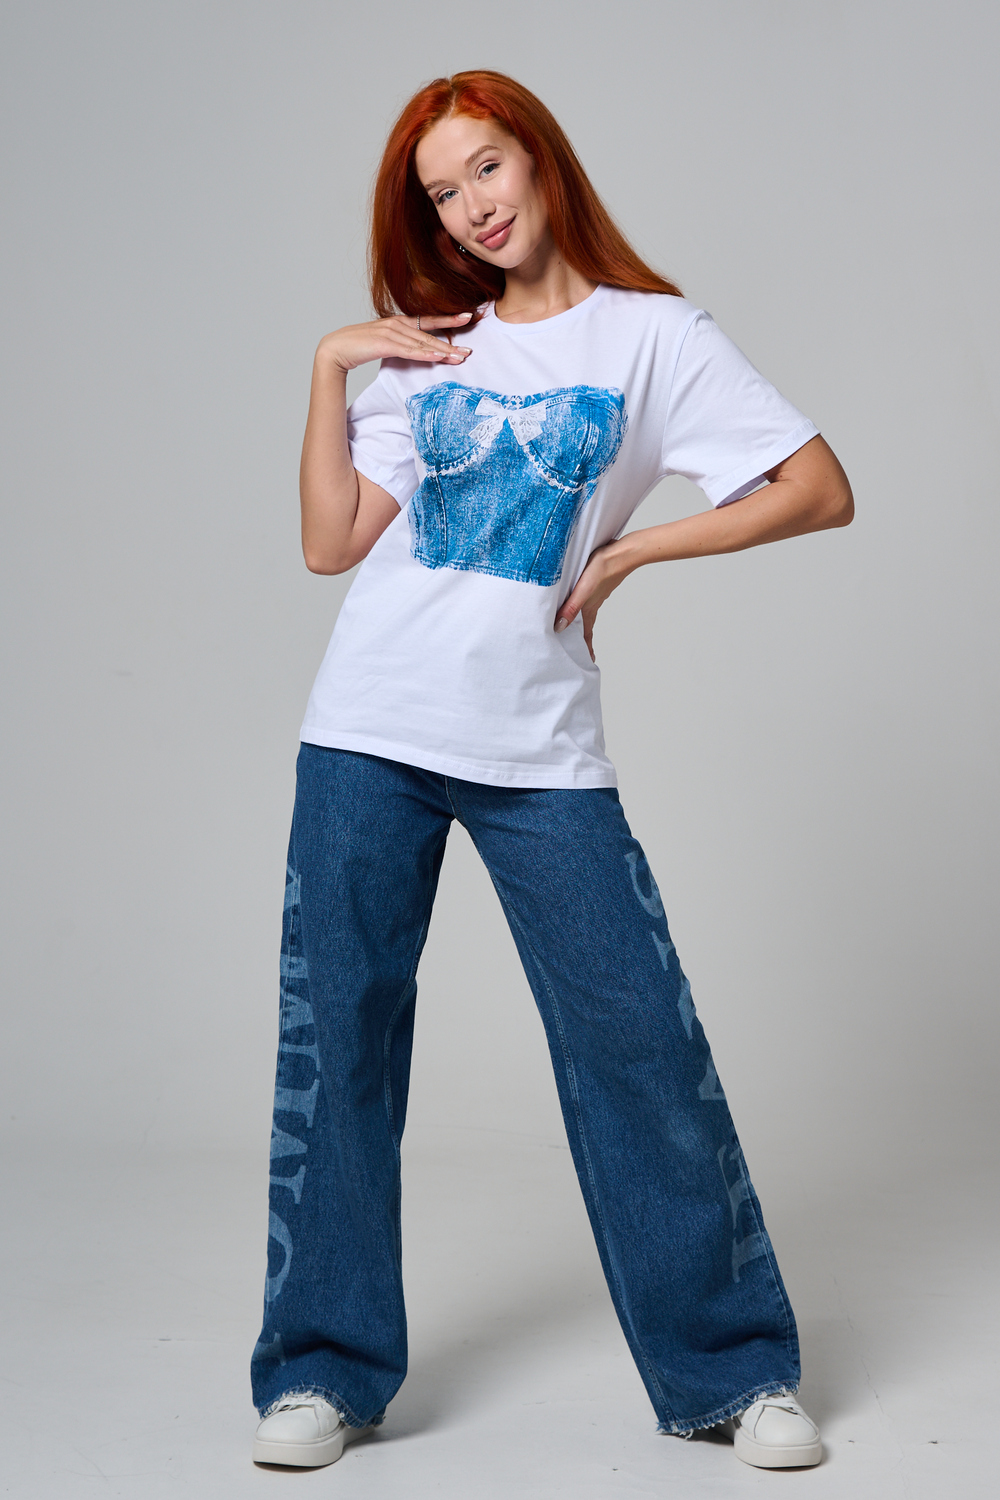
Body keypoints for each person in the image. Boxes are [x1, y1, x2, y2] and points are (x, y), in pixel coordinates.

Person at [249, 69, 853, 1473]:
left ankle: (731, 1372)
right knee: (339, 1051)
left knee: (639, 1045)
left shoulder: (654, 338)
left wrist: (638, 547)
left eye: (486, 168)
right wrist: (332, 368)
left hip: (540, 749)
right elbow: (332, 545)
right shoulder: (428, 349)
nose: (472, 207)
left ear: (540, 158)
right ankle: (322, 1370)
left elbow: (818, 487)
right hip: (368, 730)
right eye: (441, 194)